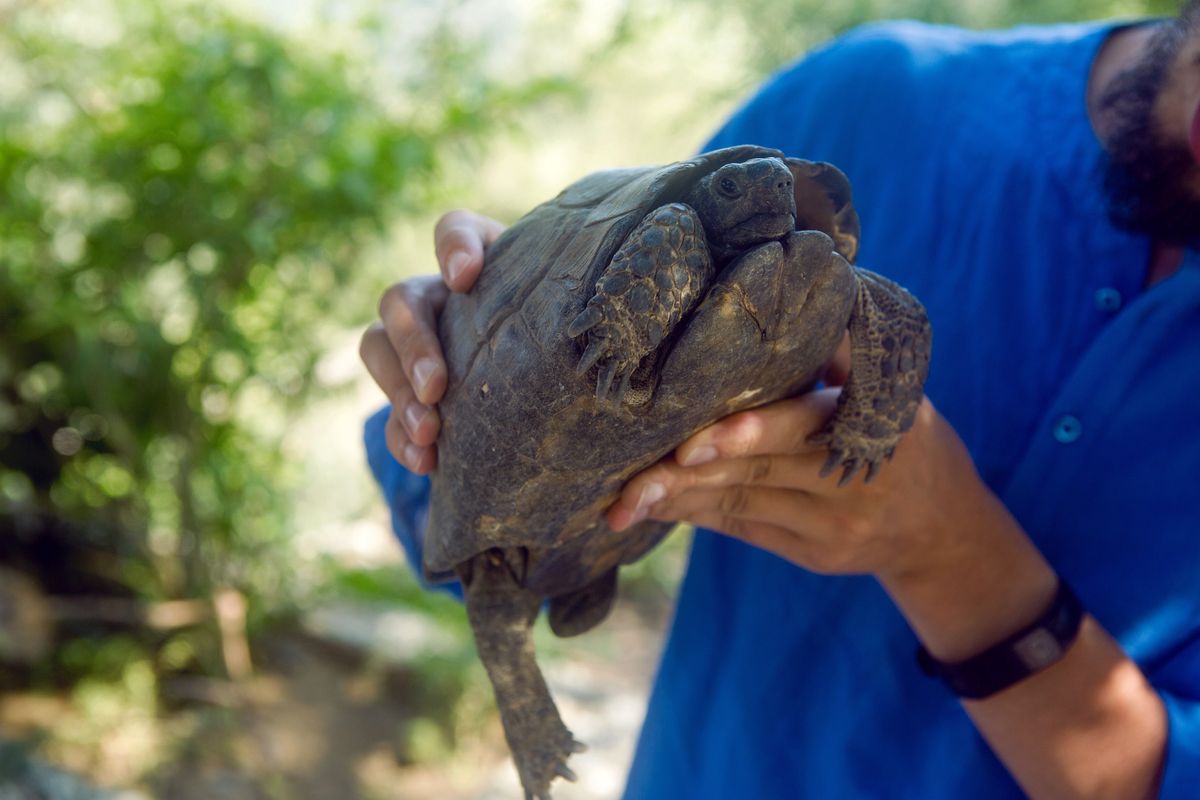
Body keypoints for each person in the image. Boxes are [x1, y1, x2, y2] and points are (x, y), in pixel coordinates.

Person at [359, 3, 1200, 797]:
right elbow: (446, 521)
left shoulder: (864, 275)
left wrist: (948, 552)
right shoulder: (875, 98)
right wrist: (460, 349)